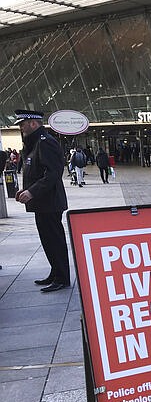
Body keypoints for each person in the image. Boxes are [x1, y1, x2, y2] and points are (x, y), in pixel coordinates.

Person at [14, 109, 70, 292]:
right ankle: (55, 273)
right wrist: (26, 190)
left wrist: (32, 192)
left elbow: (53, 173)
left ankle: (62, 277)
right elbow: (36, 172)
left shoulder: (46, 142)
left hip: (50, 202)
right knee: (47, 240)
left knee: (55, 239)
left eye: (22, 124)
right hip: (42, 202)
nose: (21, 128)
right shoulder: (34, 143)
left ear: (33, 123)